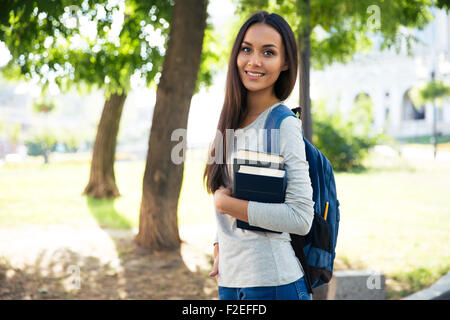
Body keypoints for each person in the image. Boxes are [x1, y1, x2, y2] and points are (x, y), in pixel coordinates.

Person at [202, 11, 315, 300]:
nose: (254, 61)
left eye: (268, 52)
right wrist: (219, 244)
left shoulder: (283, 124)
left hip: (273, 284)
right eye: (246, 49)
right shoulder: (231, 119)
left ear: (285, 62)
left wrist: (227, 204)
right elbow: (227, 190)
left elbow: (301, 217)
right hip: (230, 282)